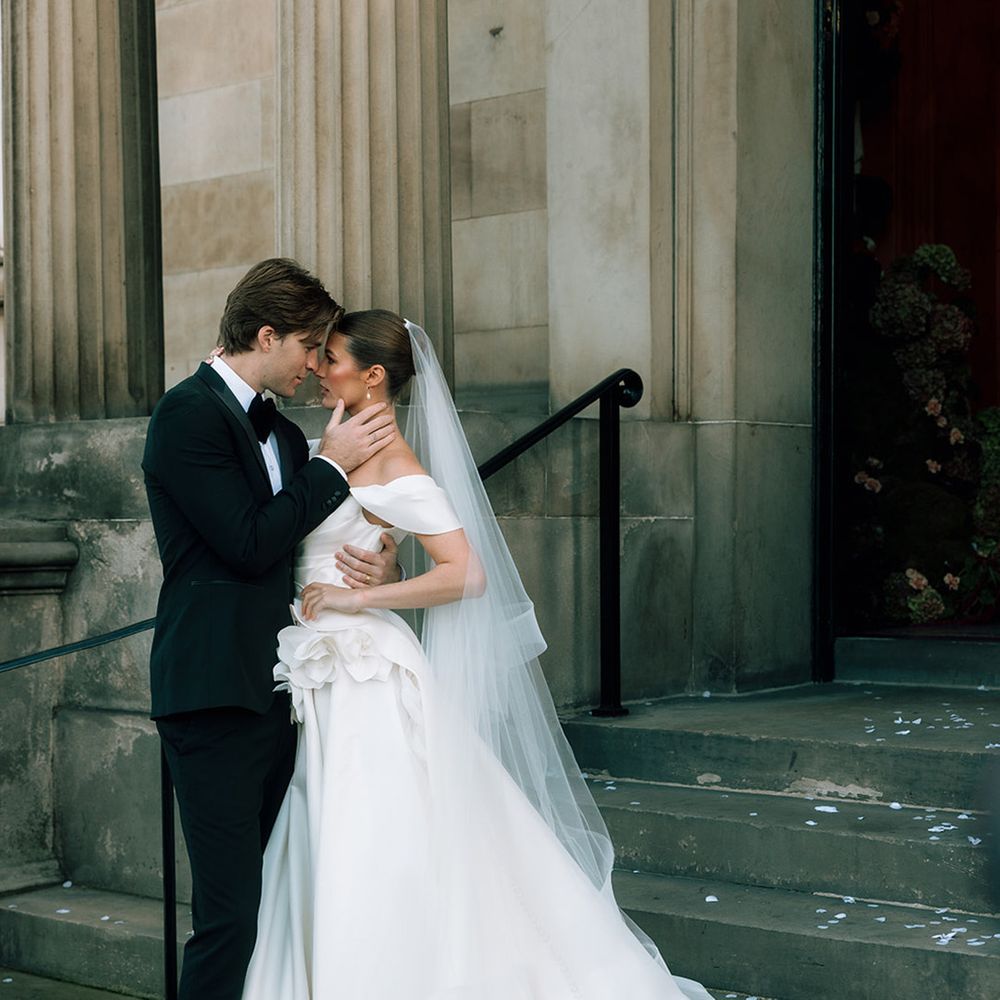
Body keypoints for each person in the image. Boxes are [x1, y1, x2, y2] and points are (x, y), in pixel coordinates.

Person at [241, 309, 712, 999]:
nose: (317, 367)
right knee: (332, 827)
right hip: (326, 669)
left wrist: (361, 599)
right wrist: (376, 574)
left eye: (332, 357)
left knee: (370, 833)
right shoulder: (331, 448)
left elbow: (468, 573)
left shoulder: (401, 470)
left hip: (367, 672)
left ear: (373, 377)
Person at [142, 260, 402, 1000]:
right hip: (212, 693)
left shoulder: (286, 437)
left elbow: (305, 544)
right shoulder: (185, 415)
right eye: (309, 348)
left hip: (285, 691)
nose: (317, 365)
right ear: (266, 335)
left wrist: (378, 559)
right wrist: (329, 465)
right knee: (230, 919)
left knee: (284, 906)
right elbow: (247, 542)